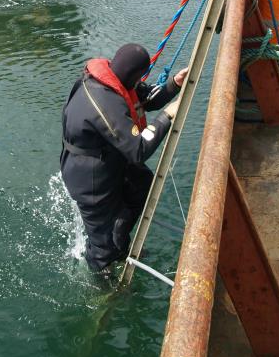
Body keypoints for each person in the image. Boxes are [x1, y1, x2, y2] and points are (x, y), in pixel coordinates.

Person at [60, 43, 187, 273]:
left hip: (111, 162)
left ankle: (120, 241)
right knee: (104, 242)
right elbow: (138, 149)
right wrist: (167, 116)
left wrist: (173, 85)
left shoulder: (115, 78)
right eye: (139, 78)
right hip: (90, 179)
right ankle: (102, 279)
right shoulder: (104, 102)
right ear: (132, 75)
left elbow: (143, 98)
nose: (140, 84)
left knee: (141, 183)